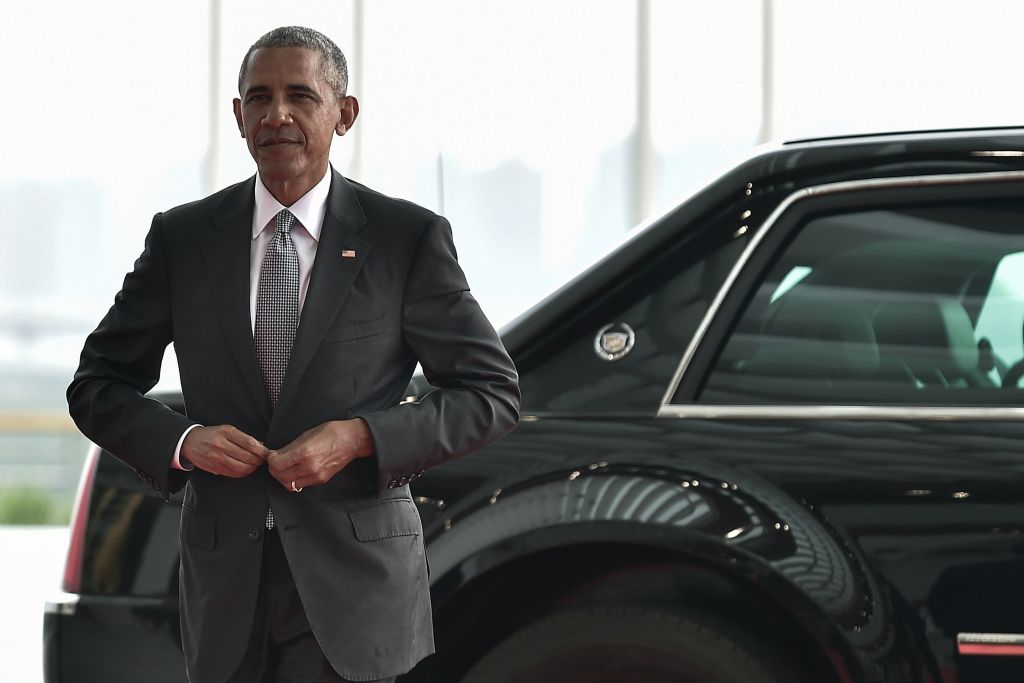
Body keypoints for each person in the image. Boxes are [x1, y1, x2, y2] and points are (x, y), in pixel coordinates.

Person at [67, 25, 519, 683]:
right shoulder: (183, 239)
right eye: (259, 97)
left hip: (355, 585)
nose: (276, 114)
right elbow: (97, 385)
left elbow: (491, 393)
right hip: (227, 587)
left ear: (344, 113)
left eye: (300, 96)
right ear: (238, 115)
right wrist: (185, 440)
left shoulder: (405, 238)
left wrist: (360, 437)